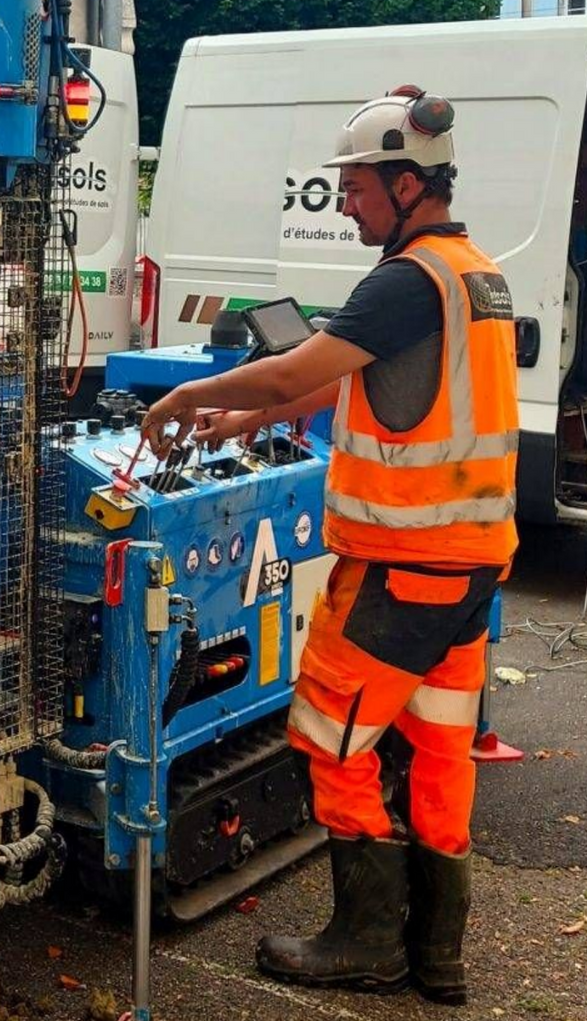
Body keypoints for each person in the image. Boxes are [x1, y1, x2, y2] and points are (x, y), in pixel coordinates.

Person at [140, 86, 518, 1005]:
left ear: (405, 182)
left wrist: (185, 400)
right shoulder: (473, 270)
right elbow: (348, 381)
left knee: (329, 736)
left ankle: (365, 944)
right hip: (469, 565)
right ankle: (438, 957)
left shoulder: (404, 280)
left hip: (403, 566)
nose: (344, 200)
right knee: (436, 745)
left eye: (355, 184)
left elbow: (308, 362)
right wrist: (240, 423)